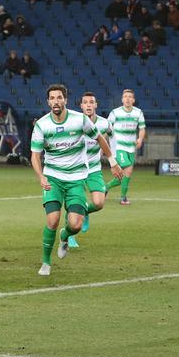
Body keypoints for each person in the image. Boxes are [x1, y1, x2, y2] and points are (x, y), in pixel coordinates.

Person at [31, 84, 122, 276]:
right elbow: (35, 155)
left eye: (59, 98)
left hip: (76, 178)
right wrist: (41, 176)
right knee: (53, 219)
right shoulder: (42, 125)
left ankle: (65, 236)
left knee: (75, 224)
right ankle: (46, 262)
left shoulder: (79, 120)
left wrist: (112, 162)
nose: (56, 101)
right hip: (53, 178)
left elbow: (99, 138)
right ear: (48, 102)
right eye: (52, 98)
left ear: (65, 100)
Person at [58, 92, 113, 252]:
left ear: (96, 105)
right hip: (77, 170)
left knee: (98, 203)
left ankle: (85, 211)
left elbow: (111, 136)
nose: (88, 105)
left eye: (91, 102)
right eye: (85, 102)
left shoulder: (104, 123)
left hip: (94, 169)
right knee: (74, 207)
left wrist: (113, 158)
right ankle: (70, 235)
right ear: (81, 106)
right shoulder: (75, 123)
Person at [105, 89, 146, 205]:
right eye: (125, 97)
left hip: (131, 148)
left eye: (130, 97)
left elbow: (142, 128)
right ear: (122, 99)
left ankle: (105, 187)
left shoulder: (138, 113)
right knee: (128, 170)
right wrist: (104, 142)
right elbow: (107, 126)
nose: (127, 99)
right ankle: (123, 198)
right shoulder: (115, 113)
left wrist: (140, 139)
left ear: (133, 100)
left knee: (123, 174)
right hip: (118, 146)